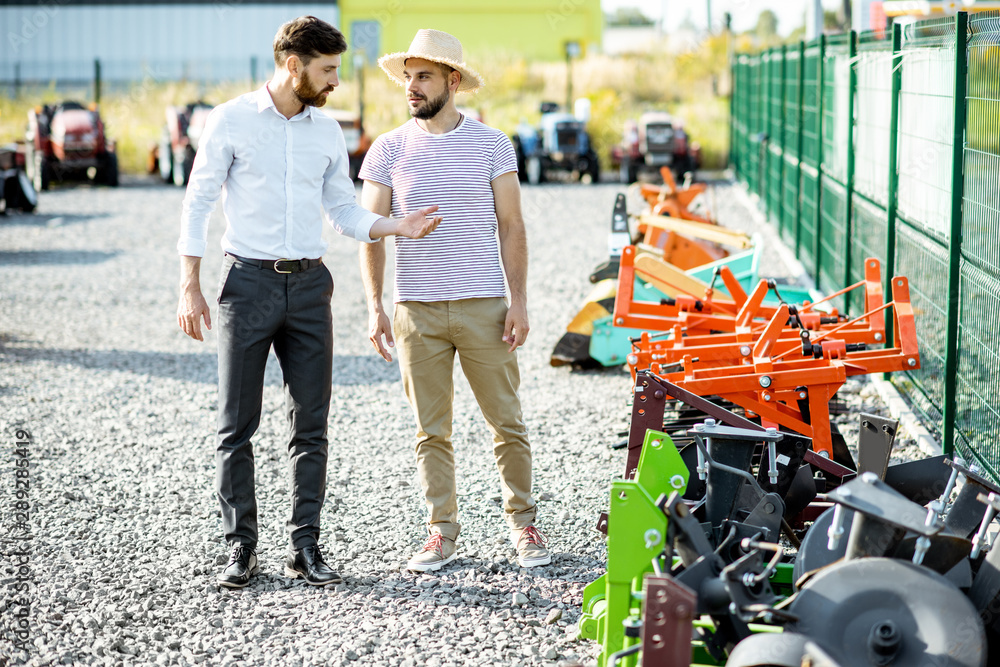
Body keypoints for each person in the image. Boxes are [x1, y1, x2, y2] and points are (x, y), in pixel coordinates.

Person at [176, 16, 441, 589]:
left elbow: (343, 212)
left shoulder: (327, 131)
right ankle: (240, 548)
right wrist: (188, 283)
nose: (335, 83)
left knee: (312, 426)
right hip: (245, 285)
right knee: (234, 426)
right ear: (293, 65)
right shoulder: (231, 121)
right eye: (326, 71)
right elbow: (197, 204)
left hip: (310, 289)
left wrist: (396, 226)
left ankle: (305, 547)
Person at [358, 29, 550, 572]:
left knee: (506, 423)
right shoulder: (387, 149)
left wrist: (520, 302)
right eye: (407, 77)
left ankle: (524, 524)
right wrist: (375, 306)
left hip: (485, 306)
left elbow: (511, 226)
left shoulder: (492, 144)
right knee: (430, 431)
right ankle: (440, 531)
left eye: (423, 77)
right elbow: (371, 230)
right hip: (416, 312)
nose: (411, 88)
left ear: (453, 81)